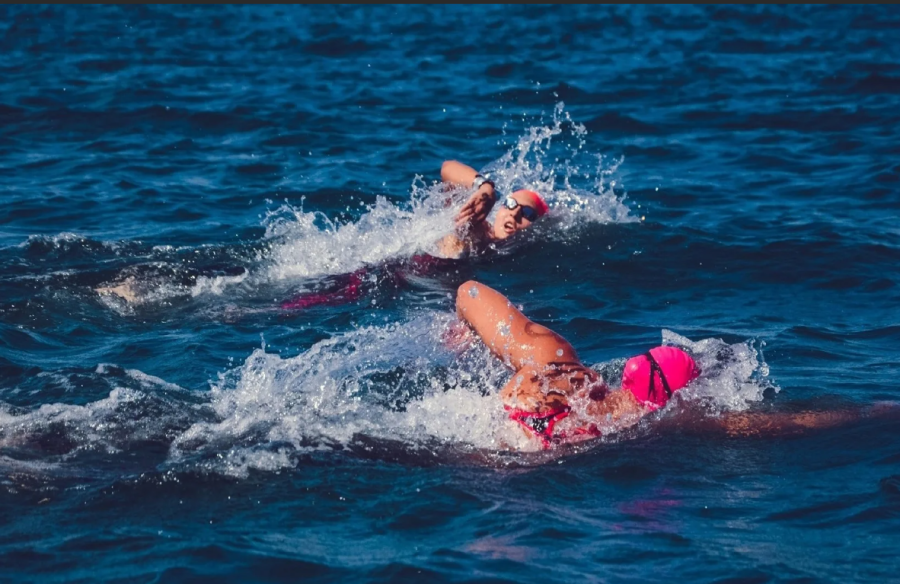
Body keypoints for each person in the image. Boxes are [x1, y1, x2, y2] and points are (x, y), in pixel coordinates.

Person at [453, 280, 896, 449]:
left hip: (504, 418)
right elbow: (797, 422)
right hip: (537, 459)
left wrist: (459, 332)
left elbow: (469, 291)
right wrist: (877, 410)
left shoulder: (554, 360)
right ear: (669, 398)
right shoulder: (666, 422)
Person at [280, 160, 549, 311]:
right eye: (511, 204)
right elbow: (447, 169)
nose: (514, 215)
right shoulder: (476, 224)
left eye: (527, 213)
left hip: (399, 290)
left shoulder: (505, 255)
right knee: (285, 309)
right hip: (381, 275)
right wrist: (485, 187)